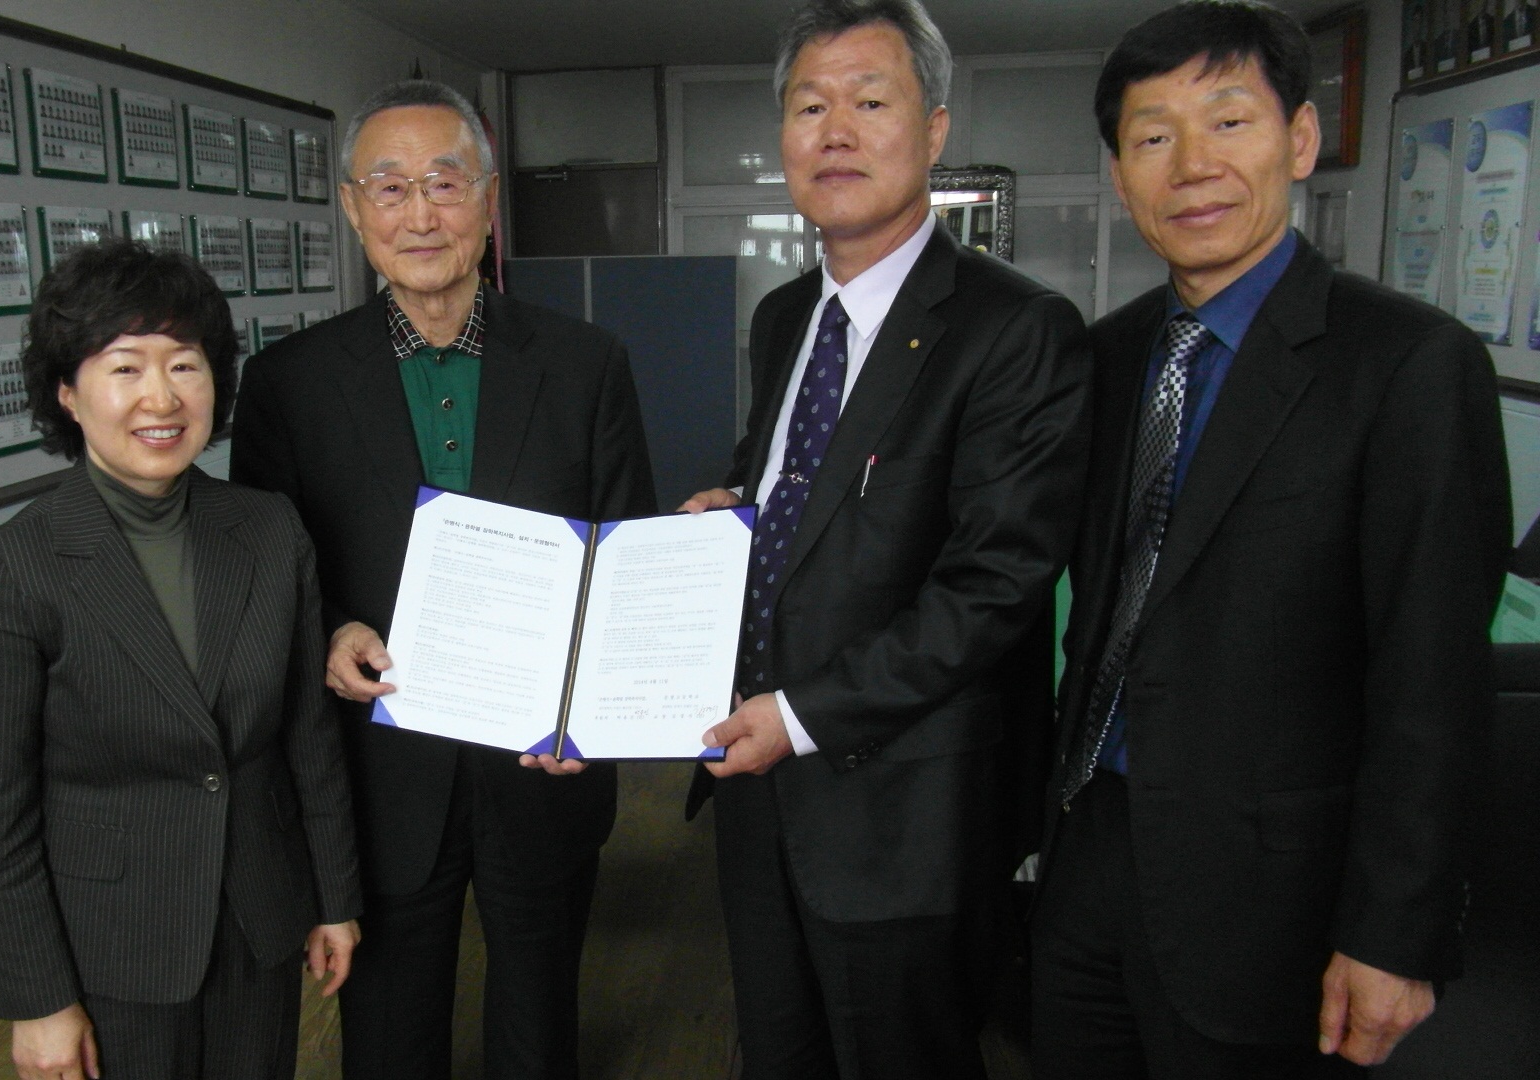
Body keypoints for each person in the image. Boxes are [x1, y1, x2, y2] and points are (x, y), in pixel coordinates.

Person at [1031, 3, 1513, 1077]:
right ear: (1120, 175)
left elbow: (1433, 679)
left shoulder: (1409, 364)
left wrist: (1397, 934)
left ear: (1299, 139)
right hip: (1087, 852)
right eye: (1153, 136)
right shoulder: (1105, 358)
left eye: (1228, 121)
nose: (1191, 166)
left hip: (1275, 898)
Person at [676, 1, 1091, 1075]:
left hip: (903, 818)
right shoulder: (785, 318)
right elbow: (799, 487)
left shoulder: (1014, 329)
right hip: (755, 792)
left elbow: (993, 587)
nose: (836, 132)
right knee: (778, 1054)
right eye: (809, 106)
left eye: (870, 101)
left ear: (935, 129)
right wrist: (731, 509)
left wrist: (801, 716)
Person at [229, 80, 656, 1080]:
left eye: (445, 182)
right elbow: (265, 573)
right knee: (388, 1040)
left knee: (539, 1031)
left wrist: (588, 708)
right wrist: (332, 632)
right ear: (353, 209)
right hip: (378, 780)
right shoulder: (288, 383)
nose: (419, 214)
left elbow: (626, 563)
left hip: (542, 770)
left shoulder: (586, 364)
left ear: (489, 199)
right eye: (389, 187)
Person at [0, 238, 362, 1080]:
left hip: (259, 920)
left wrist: (334, 897)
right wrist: (37, 999)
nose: (161, 397)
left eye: (185, 365)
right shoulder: (12, 567)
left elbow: (309, 739)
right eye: (125, 367)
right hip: (109, 946)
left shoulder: (269, 529)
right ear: (67, 392)